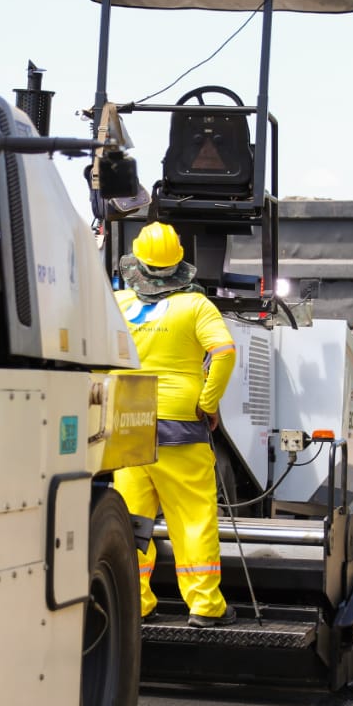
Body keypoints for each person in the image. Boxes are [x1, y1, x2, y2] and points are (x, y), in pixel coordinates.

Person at [113, 222, 238, 628]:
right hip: (180, 427)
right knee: (192, 517)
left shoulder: (115, 303)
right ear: (178, 266)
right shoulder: (196, 306)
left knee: (132, 520)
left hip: (127, 425)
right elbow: (223, 352)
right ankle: (204, 607)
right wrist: (207, 401)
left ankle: (136, 602)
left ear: (137, 264)